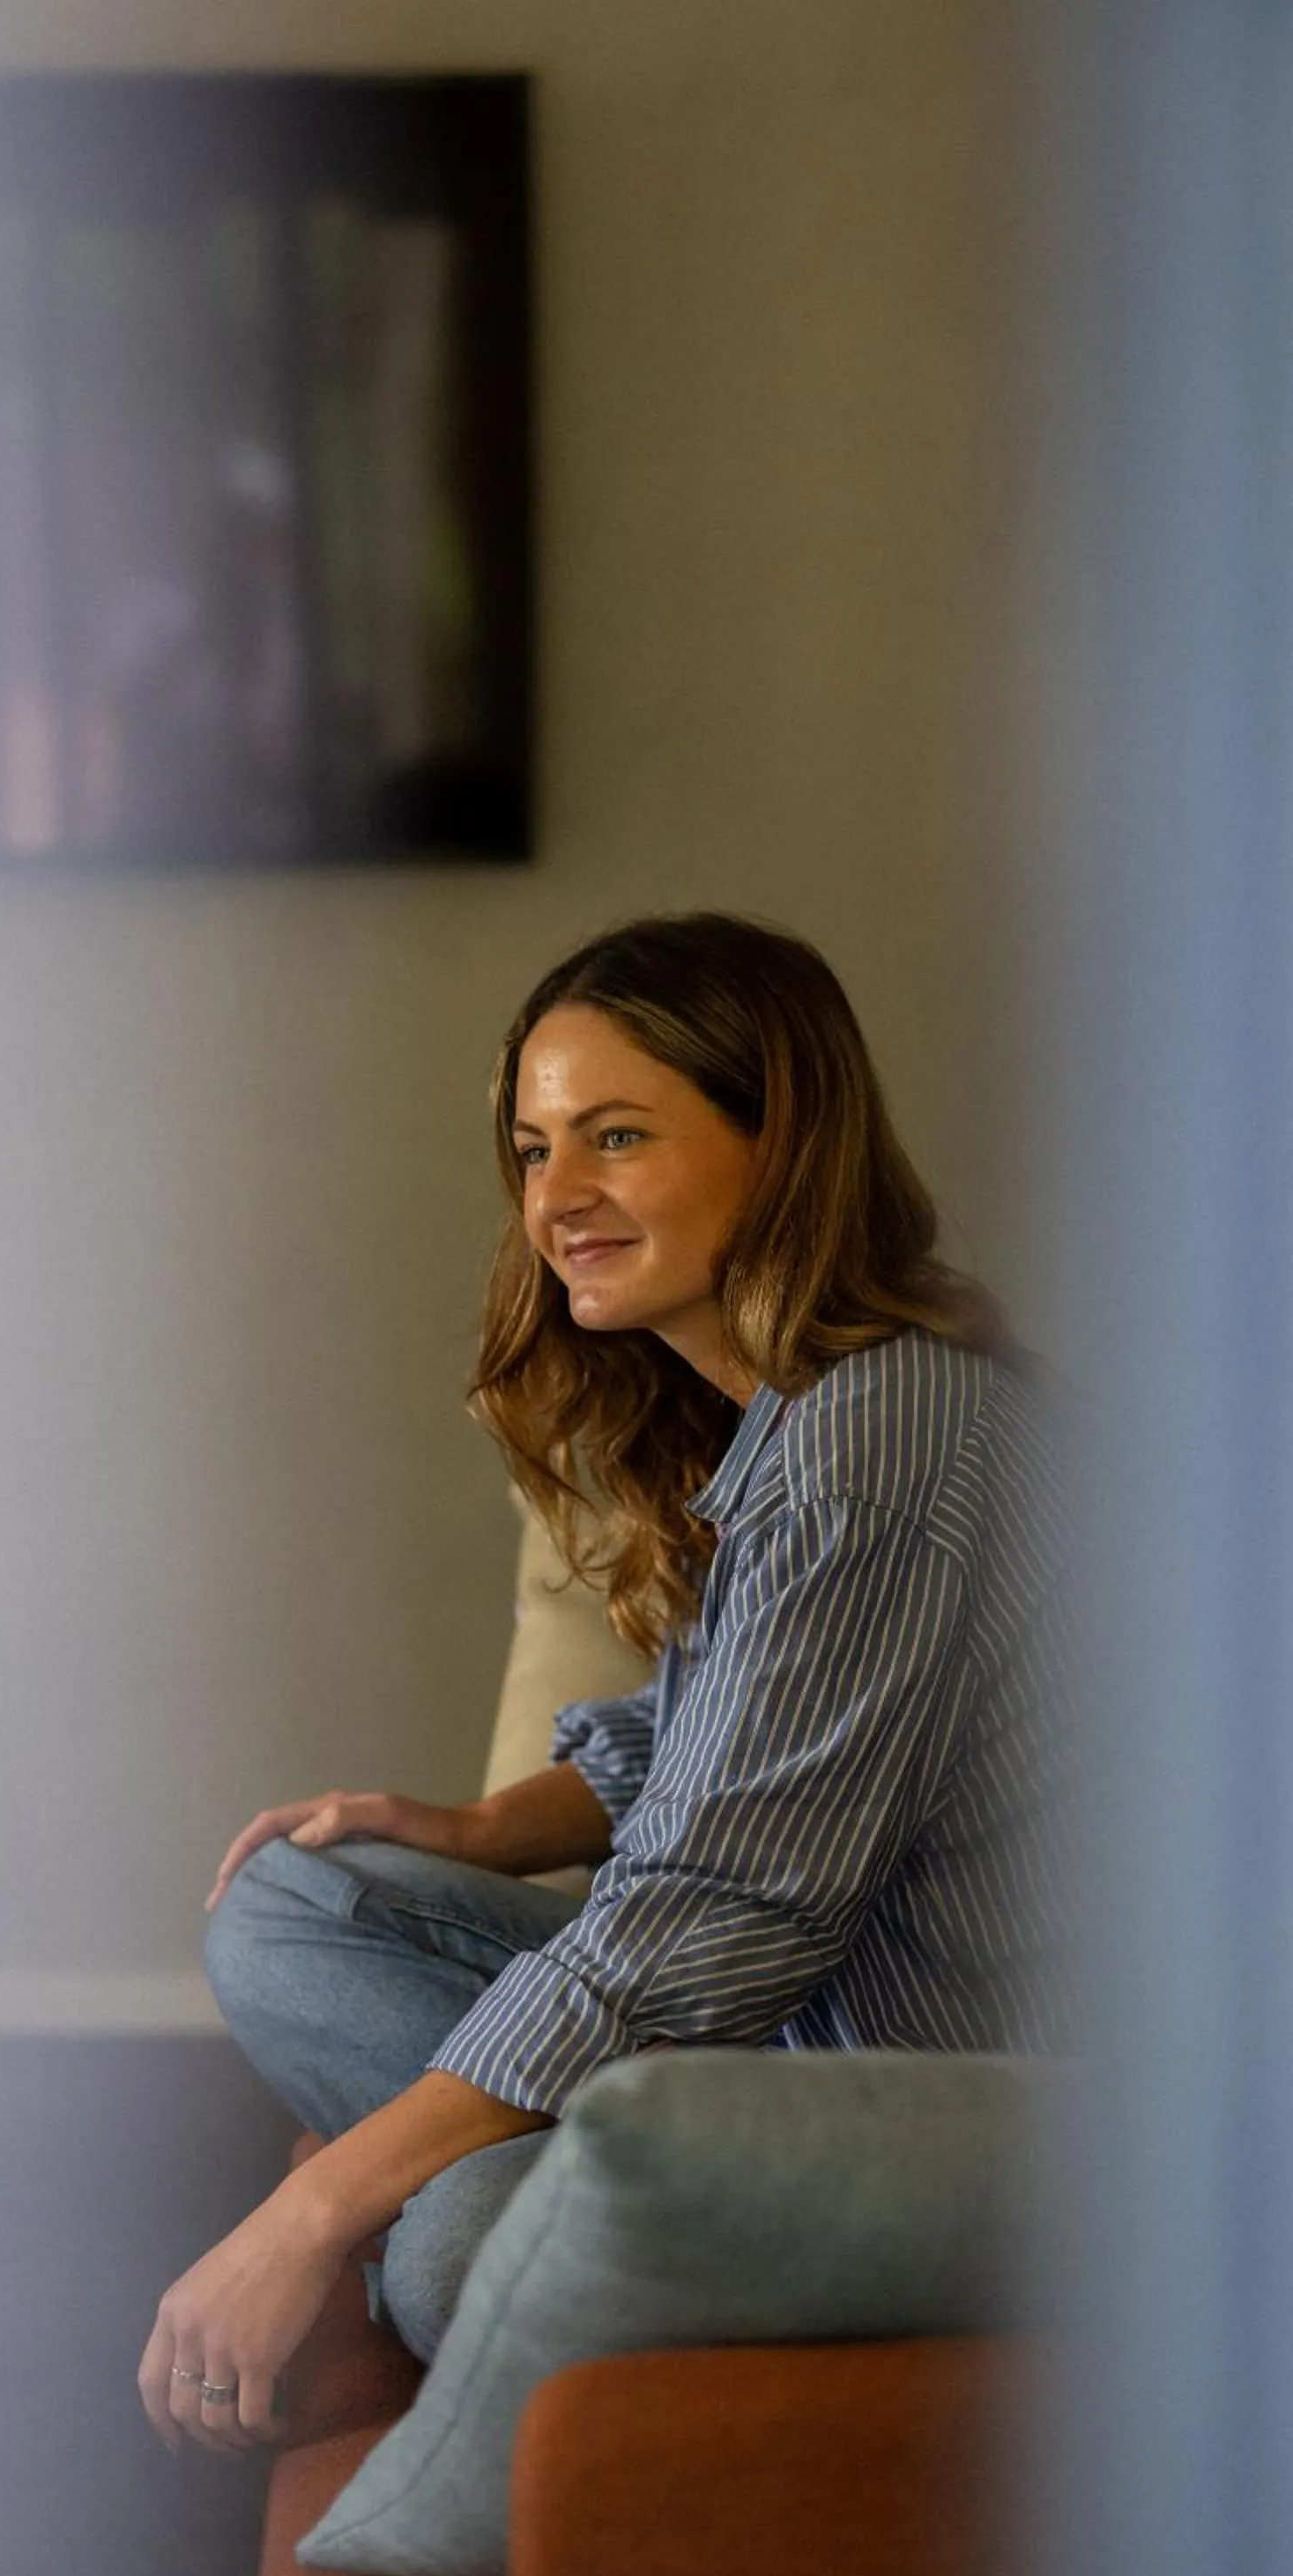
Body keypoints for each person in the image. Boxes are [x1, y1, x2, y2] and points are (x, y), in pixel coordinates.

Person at [137, 910, 1071, 2455]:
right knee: (300, 1909)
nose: (555, 1199)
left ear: (785, 1142)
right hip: (782, 2055)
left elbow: (725, 1901)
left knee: (448, 2243)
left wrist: (311, 2210)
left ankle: (460, 2271)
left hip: (960, 2123)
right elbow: (748, 1738)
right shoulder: (808, 1413)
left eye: (615, 1137)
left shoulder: (877, 1450)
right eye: (531, 1148)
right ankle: (516, 2251)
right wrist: (492, 1826)